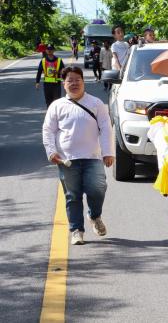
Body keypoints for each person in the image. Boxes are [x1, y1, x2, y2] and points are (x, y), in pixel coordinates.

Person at [42, 66, 114, 245]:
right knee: (72, 195)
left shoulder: (96, 103)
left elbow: (106, 128)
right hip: (67, 159)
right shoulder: (57, 106)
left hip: (93, 157)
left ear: (83, 81)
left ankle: (94, 216)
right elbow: (48, 130)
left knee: (97, 189)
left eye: (77, 80)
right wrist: (51, 151)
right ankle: (76, 230)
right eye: (70, 80)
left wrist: (108, 152)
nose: (74, 83)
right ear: (64, 84)